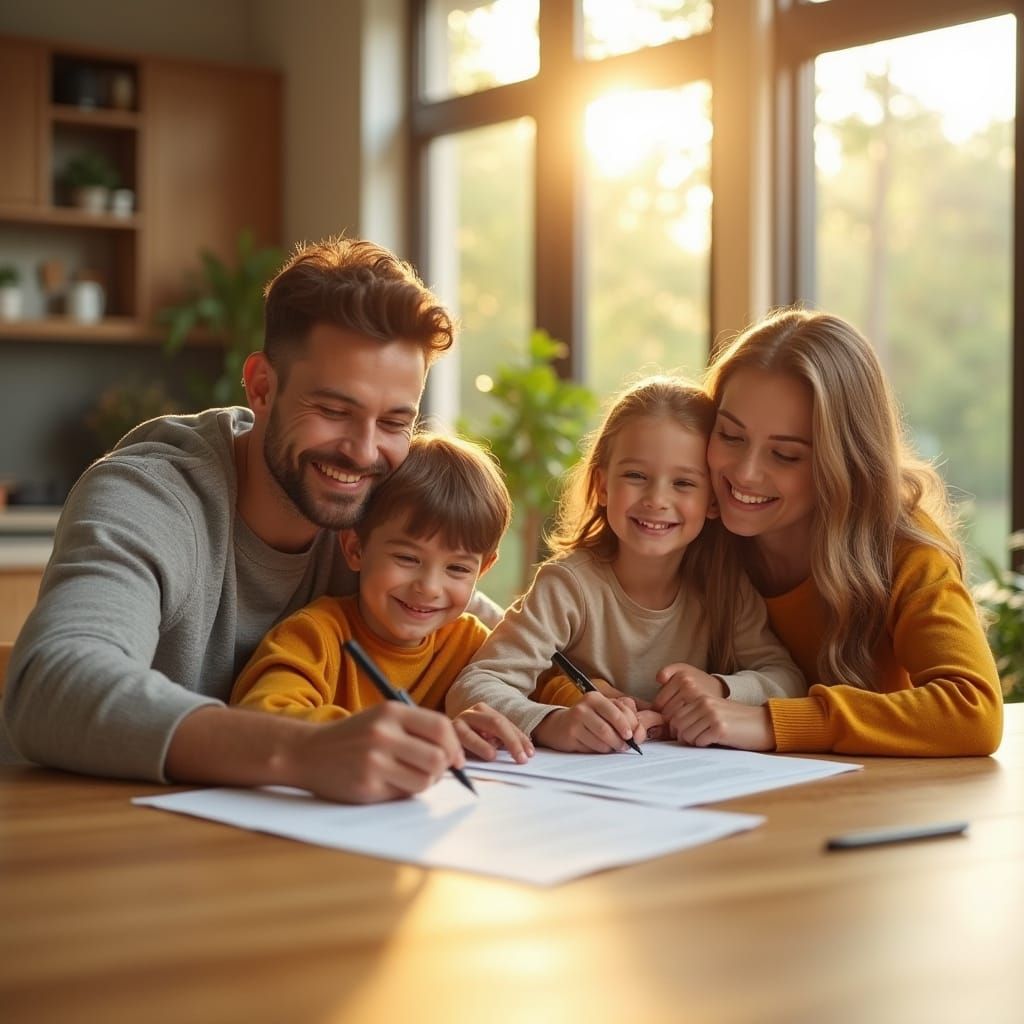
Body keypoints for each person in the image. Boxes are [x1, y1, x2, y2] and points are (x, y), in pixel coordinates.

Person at [4, 236, 528, 802]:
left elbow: (500, 641)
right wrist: (298, 750)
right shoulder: (151, 497)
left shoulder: (376, 506)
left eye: (395, 422)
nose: (363, 451)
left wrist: (574, 698)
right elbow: (51, 685)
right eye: (333, 410)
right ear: (261, 387)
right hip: (107, 844)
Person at [664, 306, 1003, 756]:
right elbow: (556, 644)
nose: (744, 474)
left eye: (785, 455)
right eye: (730, 436)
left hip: (865, 808)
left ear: (846, 463)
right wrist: (577, 704)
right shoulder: (684, 521)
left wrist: (770, 723)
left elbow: (973, 711)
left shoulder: (900, 549)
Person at [446, 375, 806, 753]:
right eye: (636, 476)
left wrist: (719, 689)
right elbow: (476, 685)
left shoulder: (724, 590)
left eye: (683, 483)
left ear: (713, 501)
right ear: (602, 486)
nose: (656, 499)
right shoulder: (567, 586)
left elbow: (787, 679)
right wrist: (552, 722)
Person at [230, 431, 533, 761]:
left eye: (457, 569)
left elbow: (548, 686)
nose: (429, 588)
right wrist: (408, 733)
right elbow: (258, 718)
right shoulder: (315, 636)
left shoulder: (474, 644)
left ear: (483, 569)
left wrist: (573, 710)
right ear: (355, 548)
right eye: (407, 558)